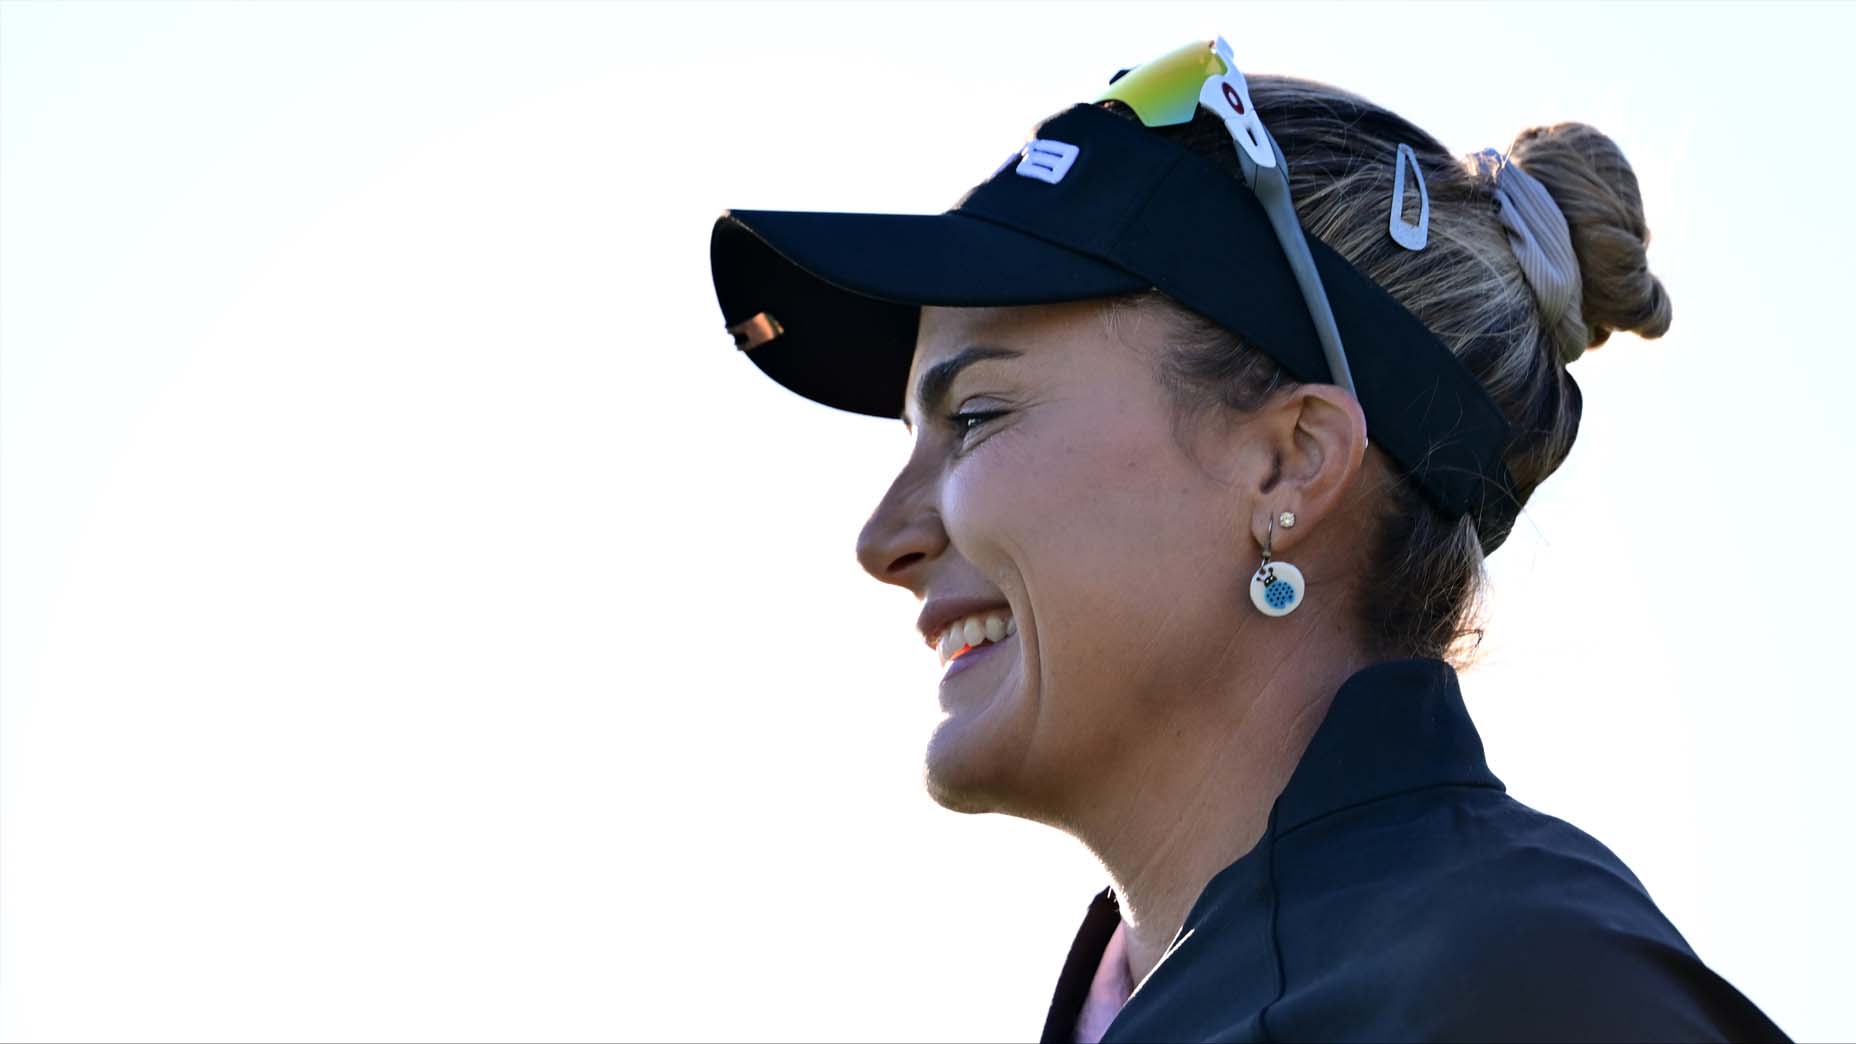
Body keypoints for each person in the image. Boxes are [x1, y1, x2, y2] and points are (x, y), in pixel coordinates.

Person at [707, 36, 1791, 1044]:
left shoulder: (1523, 990)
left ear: (1289, 461)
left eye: (977, 416)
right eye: (911, 434)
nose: (881, 538)